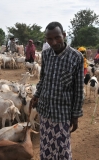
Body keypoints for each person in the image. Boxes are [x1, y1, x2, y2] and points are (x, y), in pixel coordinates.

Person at [30, 22, 84, 159]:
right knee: (46, 146)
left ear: (64, 36)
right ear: (46, 39)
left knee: (62, 148)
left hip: (62, 113)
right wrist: (36, 95)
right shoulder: (46, 54)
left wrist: (75, 115)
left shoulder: (76, 57)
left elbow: (78, 90)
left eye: (57, 37)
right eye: (49, 39)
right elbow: (43, 79)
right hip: (45, 110)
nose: (54, 42)